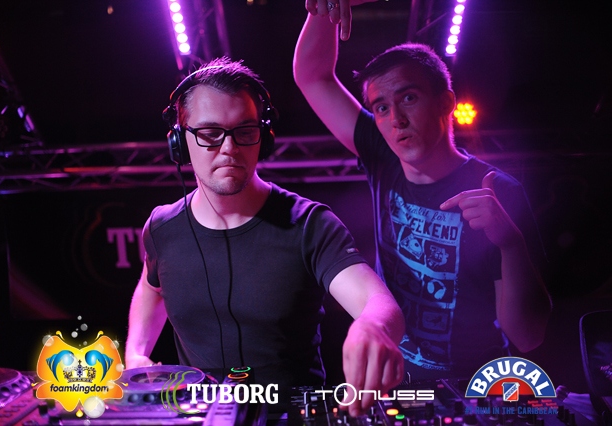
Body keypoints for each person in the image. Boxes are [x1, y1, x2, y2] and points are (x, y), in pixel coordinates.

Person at [124, 57, 405, 416]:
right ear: (180, 141)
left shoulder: (309, 225)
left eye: (244, 131)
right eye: (210, 134)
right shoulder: (162, 227)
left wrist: (372, 326)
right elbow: (152, 288)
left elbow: (378, 303)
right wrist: (136, 352)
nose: (229, 148)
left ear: (263, 137)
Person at [293, 0, 552, 380]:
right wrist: (324, 9)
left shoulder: (497, 191)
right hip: (400, 381)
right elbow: (312, 76)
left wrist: (511, 245)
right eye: (381, 108)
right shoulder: (383, 153)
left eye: (408, 98)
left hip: (474, 385)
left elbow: (527, 337)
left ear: (446, 102)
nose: (395, 119)